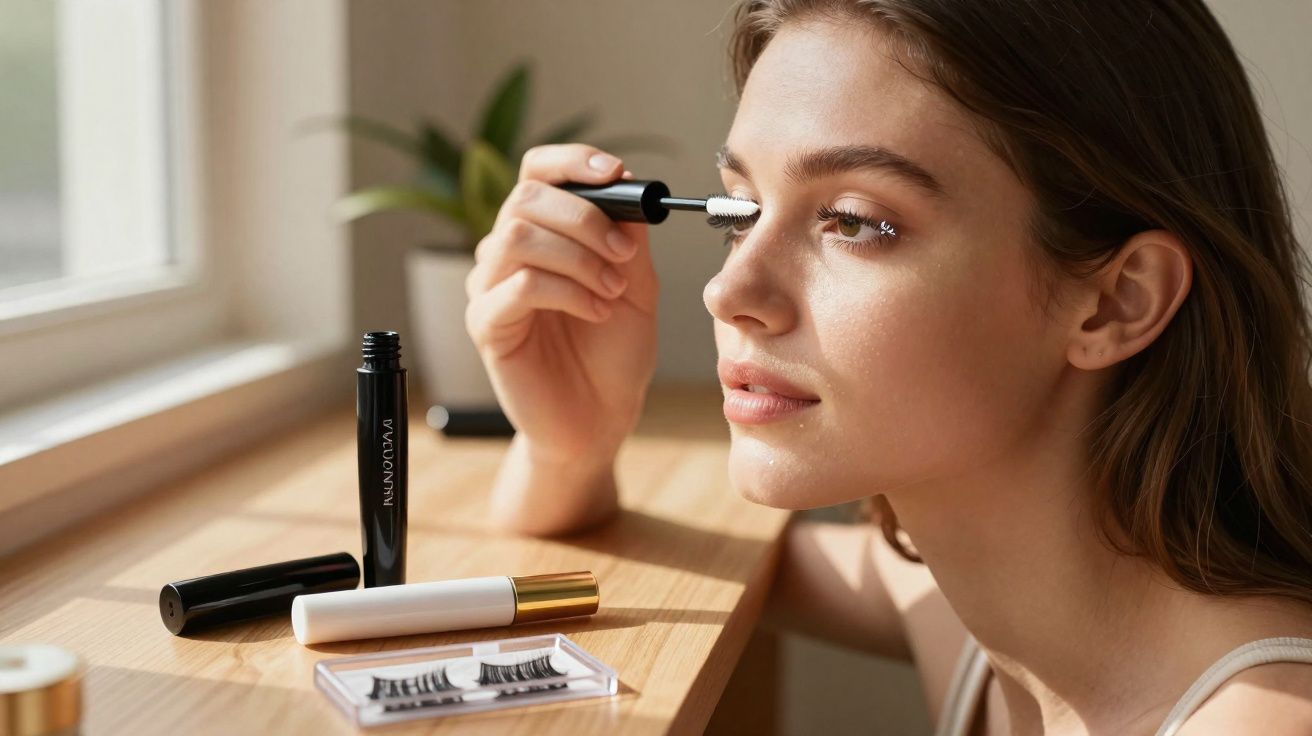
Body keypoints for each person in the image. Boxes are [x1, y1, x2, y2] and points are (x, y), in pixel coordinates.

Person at [461, 1, 1312, 732]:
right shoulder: (960, 596)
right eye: (742, 209)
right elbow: (644, 554)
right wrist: (572, 443)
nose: (731, 290)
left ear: (1116, 301)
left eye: (855, 221)